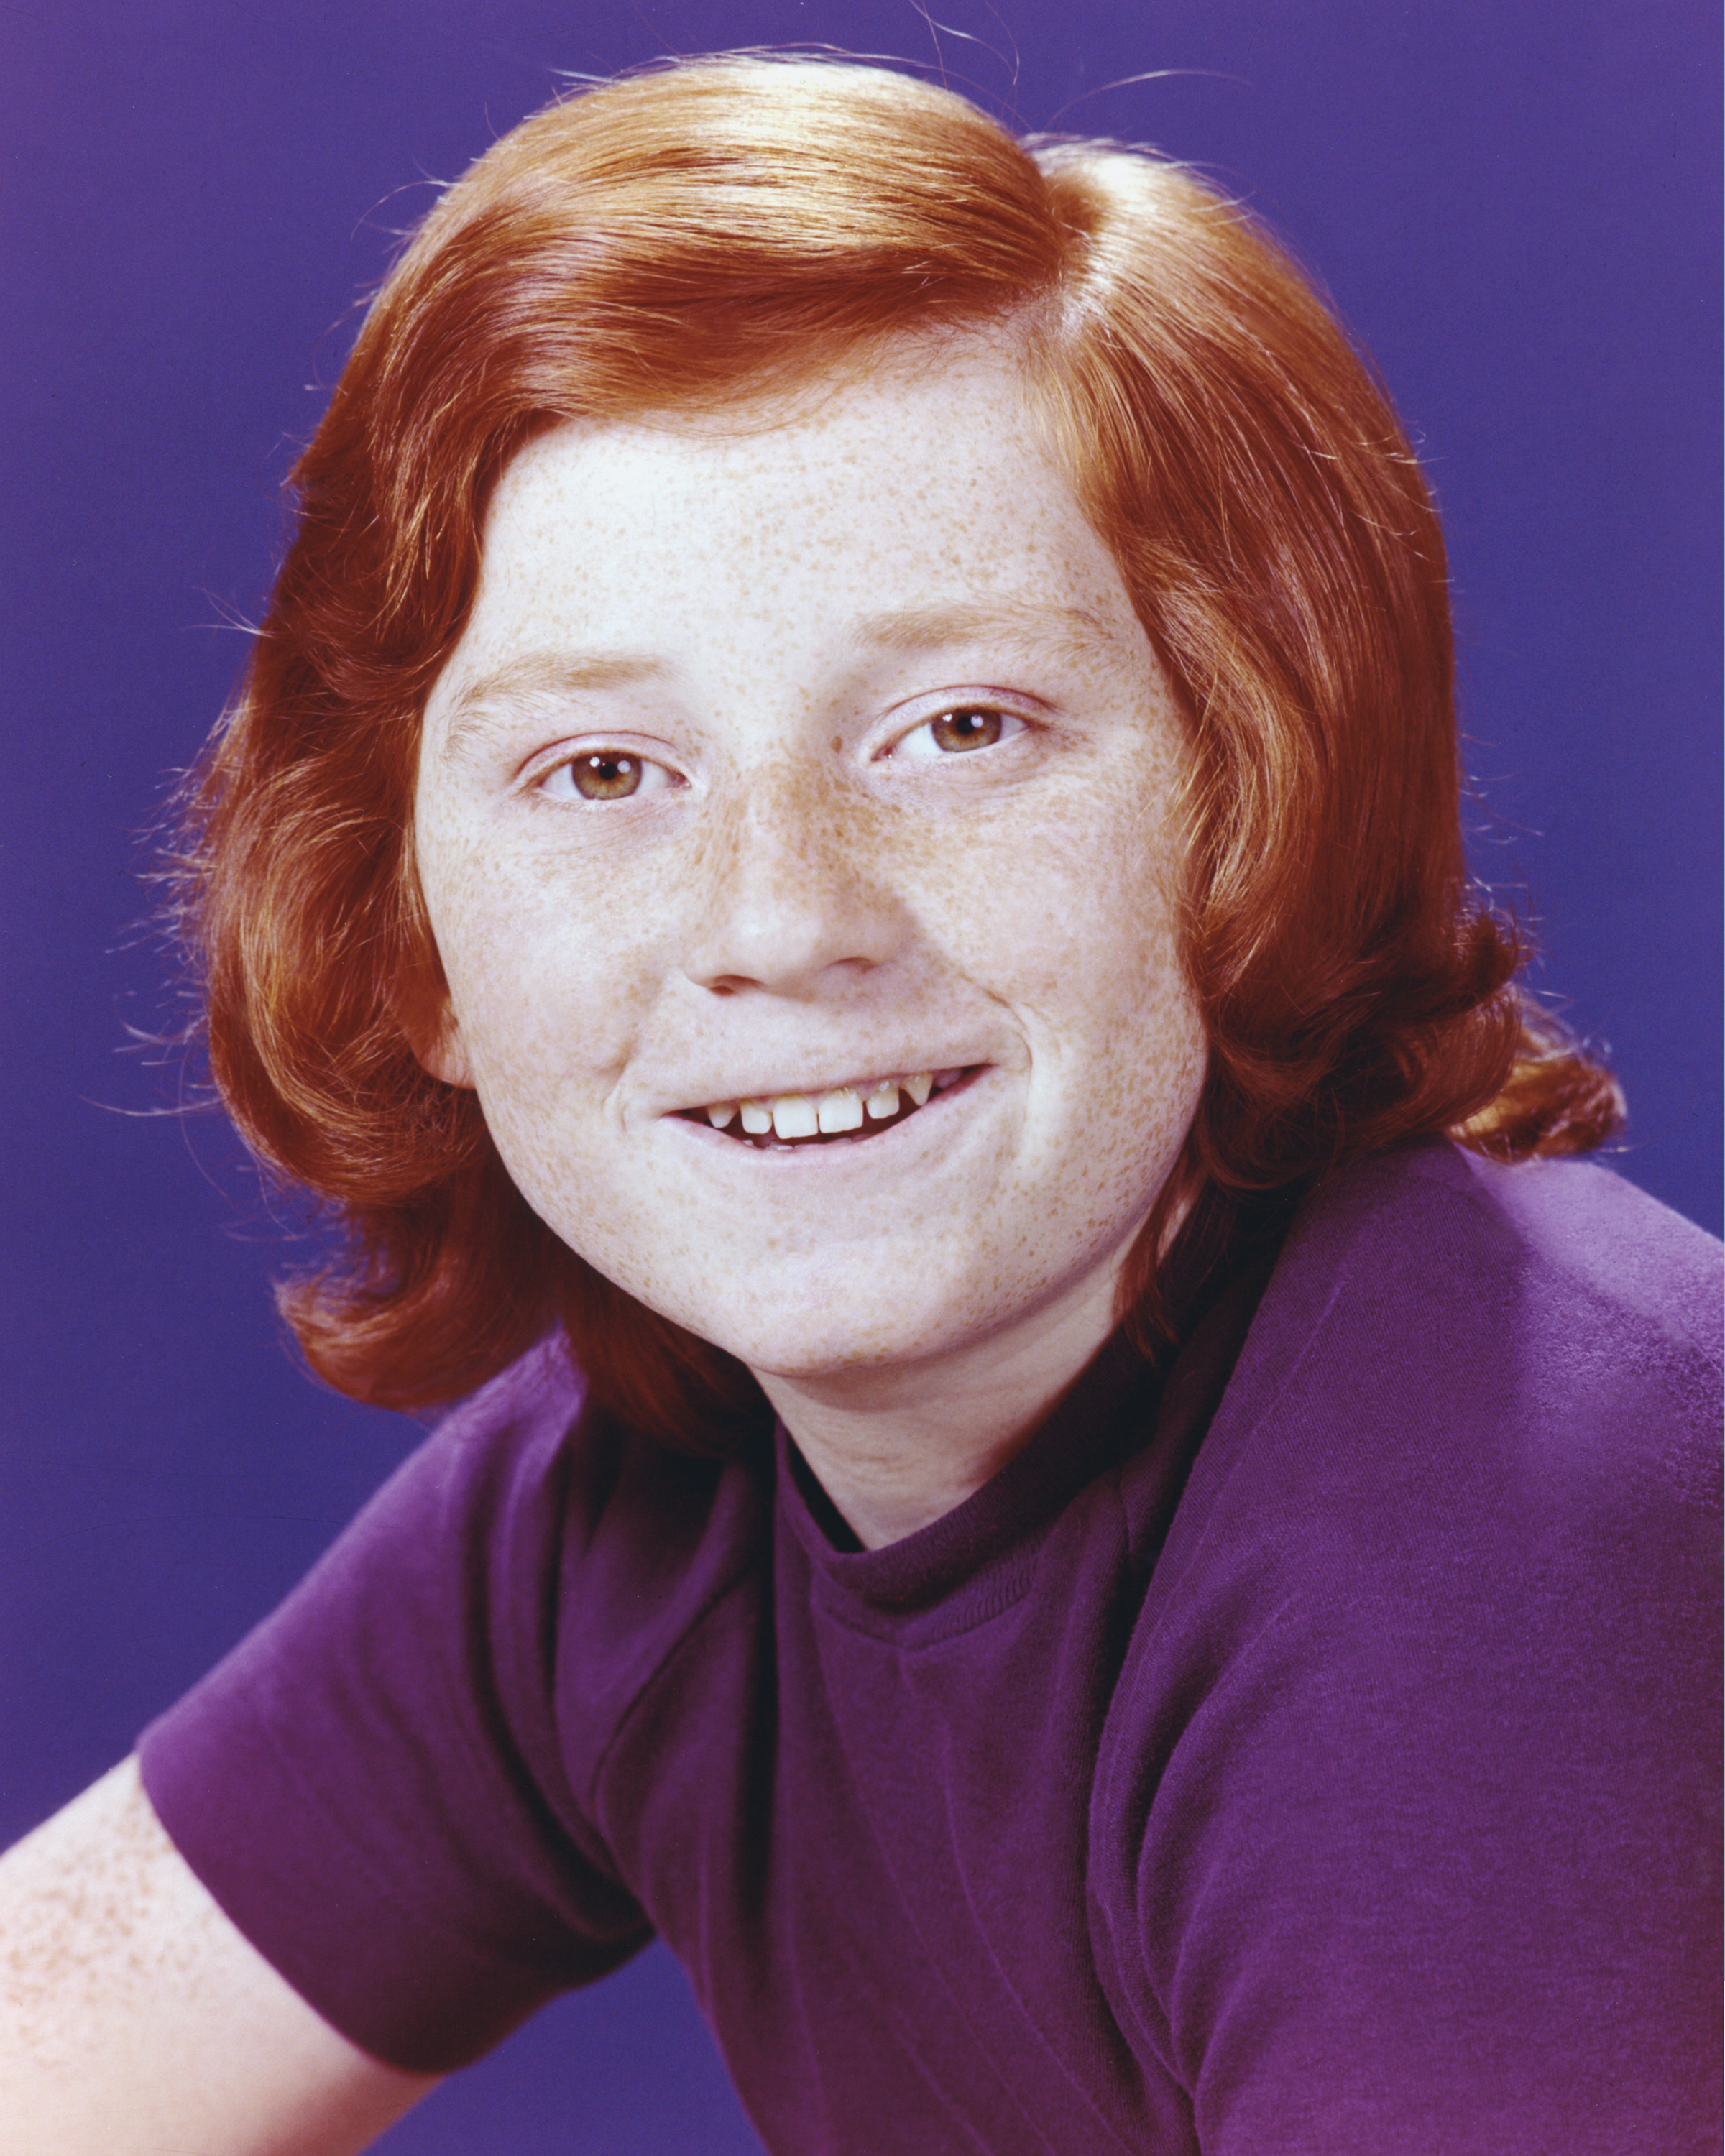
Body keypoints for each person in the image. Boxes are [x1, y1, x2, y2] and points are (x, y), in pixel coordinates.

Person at [2, 53, 1717, 2156]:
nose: (780, 919)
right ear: (410, 940)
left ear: (1249, 799)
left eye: (956, 728)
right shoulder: (652, 1499)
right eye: (603, 773)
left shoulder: (1510, 1540)